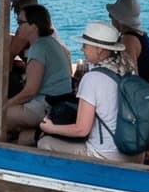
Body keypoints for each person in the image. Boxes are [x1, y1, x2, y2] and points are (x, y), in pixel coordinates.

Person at [38, 19, 132, 161]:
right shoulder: (128, 69)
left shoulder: (92, 79)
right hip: (134, 152)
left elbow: (82, 129)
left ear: (99, 49)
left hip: (106, 155)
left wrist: (51, 128)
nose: (82, 49)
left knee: (45, 143)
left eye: (85, 45)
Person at [0, 3, 72, 143]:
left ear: (34, 27)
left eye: (20, 22)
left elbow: (30, 91)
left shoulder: (38, 48)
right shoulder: (50, 43)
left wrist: (5, 105)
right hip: (58, 103)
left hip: (45, 106)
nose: (18, 27)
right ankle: (24, 138)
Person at [106, 0, 149, 89]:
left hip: (141, 99)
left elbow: (130, 76)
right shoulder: (143, 37)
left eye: (111, 15)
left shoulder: (128, 41)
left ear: (118, 19)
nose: (110, 18)